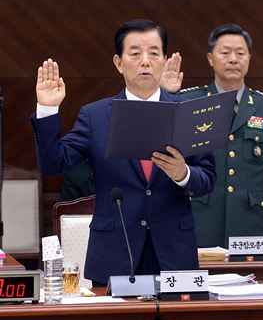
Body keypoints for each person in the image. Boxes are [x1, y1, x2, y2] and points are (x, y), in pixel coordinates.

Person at [31, 19, 216, 285]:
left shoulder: (188, 112)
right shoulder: (95, 116)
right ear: (118, 63)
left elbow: (207, 179)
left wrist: (183, 174)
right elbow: (53, 164)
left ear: (164, 60)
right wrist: (47, 110)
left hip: (174, 254)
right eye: (135, 53)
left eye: (154, 53)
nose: (145, 61)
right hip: (115, 252)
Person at [161, 23, 263, 247]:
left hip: (251, 223)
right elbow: (161, 147)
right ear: (210, 58)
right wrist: (164, 94)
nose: (233, 59)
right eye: (225, 53)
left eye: (240, 53)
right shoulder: (189, 103)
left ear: (249, 58)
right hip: (200, 218)